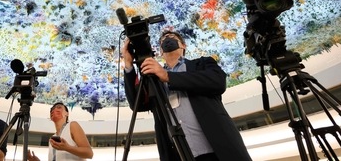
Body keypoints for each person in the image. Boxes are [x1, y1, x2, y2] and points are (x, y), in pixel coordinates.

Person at [122, 30, 252, 161]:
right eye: (163, 40)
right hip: (178, 156)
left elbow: (218, 82)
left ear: (183, 46)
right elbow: (136, 104)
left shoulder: (202, 64)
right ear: (160, 52)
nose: (167, 39)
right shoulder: (153, 79)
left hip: (218, 151)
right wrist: (128, 65)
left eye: (172, 37)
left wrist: (168, 76)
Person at [27, 102, 93, 161]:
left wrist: (67, 148)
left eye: (59, 107)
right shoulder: (52, 138)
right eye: (52, 110)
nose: (54, 110)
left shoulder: (72, 125)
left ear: (67, 113)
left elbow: (89, 153)